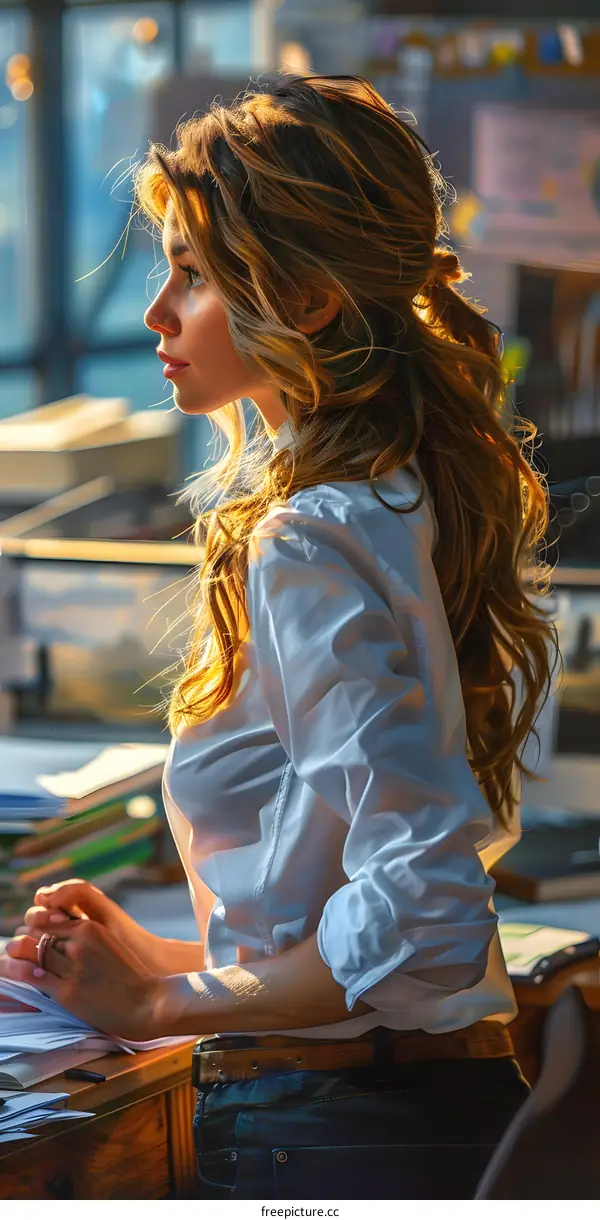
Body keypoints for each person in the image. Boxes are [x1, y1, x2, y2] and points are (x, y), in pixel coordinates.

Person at [2, 75, 555, 1200]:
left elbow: (425, 915)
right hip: (397, 1106)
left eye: (194, 274)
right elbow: (359, 897)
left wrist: (162, 1007)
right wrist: (161, 960)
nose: (157, 312)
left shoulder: (310, 535)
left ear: (304, 300)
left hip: (341, 1129)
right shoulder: (393, 490)